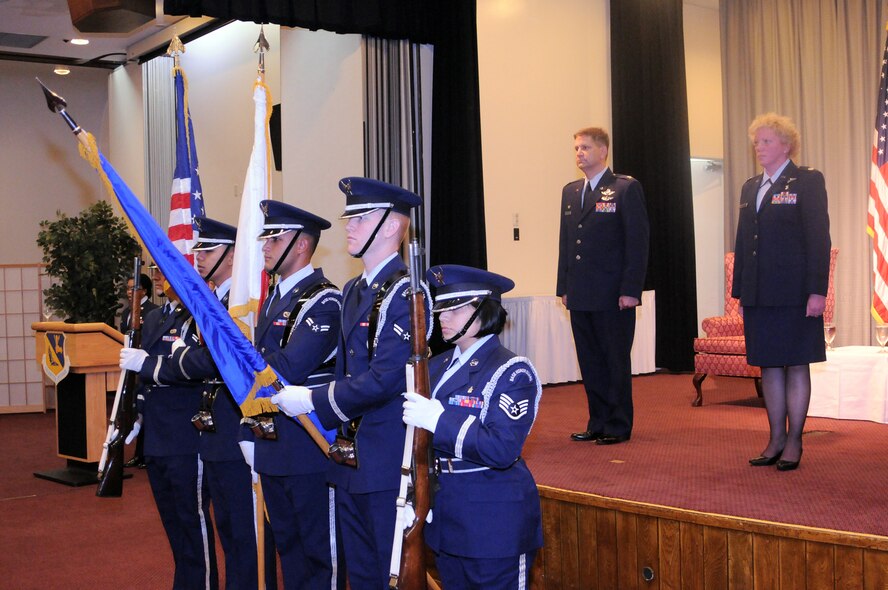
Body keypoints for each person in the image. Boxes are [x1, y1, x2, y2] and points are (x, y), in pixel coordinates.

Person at [271, 177, 428, 589]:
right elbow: (347, 370)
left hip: (387, 456)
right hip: (350, 456)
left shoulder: (408, 293)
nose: (349, 227)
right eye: (349, 218)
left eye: (360, 218)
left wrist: (313, 399)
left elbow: (385, 379)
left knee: (390, 572)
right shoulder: (355, 289)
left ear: (391, 226)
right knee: (359, 574)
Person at [133, 217, 268, 589]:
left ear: (232, 256)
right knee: (229, 530)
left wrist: (163, 363)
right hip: (213, 430)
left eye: (208, 250)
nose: (200, 257)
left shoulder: (239, 304)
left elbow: (211, 360)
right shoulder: (211, 303)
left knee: (244, 532)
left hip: (234, 425)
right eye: (199, 250)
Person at [402, 264, 543, 589]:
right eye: (441, 309)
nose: (443, 317)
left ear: (484, 310)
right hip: (447, 518)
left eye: (456, 309)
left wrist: (439, 420)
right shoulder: (434, 367)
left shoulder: (512, 371)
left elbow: (501, 448)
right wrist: (411, 495)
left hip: (494, 523)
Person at [241, 201, 343, 590]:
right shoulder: (273, 298)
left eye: (275, 239)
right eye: (265, 238)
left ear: (301, 244)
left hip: (308, 444)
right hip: (274, 444)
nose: (265, 246)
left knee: (320, 556)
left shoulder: (324, 300)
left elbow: (289, 366)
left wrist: (239, 358)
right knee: (289, 550)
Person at [733, 113, 830, 472]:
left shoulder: (807, 181)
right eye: (756, 142)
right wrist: (740, 292)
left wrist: (817, 291)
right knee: (770, 365)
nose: (758, 147)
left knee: (796, 363)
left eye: (766, 141)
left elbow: (818, 238)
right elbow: (743, 242)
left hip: (795, 293)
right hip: (759, 293)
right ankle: (775, 438)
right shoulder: (750, 187)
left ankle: (794, 441)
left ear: (786, 146)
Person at [119, 281, 218, 589]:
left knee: (192, 519)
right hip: (156, 433)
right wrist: (136, 412)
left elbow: (197, 370)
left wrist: (147, 364)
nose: (163, 276)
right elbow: (143, 380)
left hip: (186, 431)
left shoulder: (199, 315)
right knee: (172, 521)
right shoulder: (154, 316)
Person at [557, 126, 650, 445]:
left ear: (603, 151)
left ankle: (618, 424)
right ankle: (597, 421)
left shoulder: (624, 188)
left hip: (613, 295)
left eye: (585, 147)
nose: (579, 153)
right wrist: (563, 286)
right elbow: (567, 242)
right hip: (580, 292)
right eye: (576, 148)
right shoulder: (571, 191)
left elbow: (637, 243)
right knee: (590, 361)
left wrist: (631, 290)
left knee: (614, 361)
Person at [119, 271, 157, 468]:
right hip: (129, 367)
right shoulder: (126, 312)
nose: (129, 292)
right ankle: (137, 453)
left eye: (134, 288)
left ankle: (145, 453)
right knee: (133, 408)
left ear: (145, 291)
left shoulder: (153, 311)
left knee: (144, 408)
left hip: (145, 364)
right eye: (128, 288)